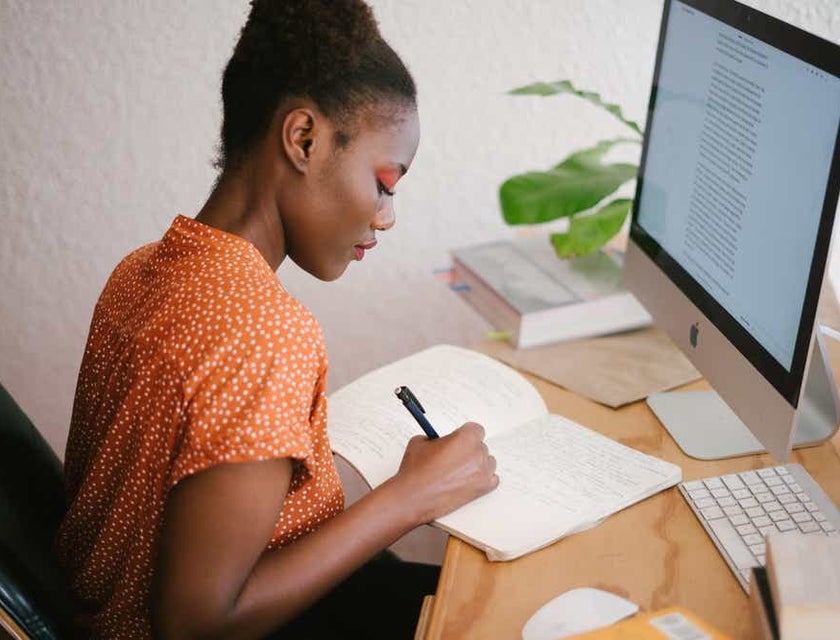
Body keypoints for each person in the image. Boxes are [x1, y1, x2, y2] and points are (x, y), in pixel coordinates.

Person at [55, 1, 499, 638]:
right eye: (384, 182)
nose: (386, 216)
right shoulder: (263, 332)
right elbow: (197, 623)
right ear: (304, 139)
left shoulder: (142, 269)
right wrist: (409, 499)